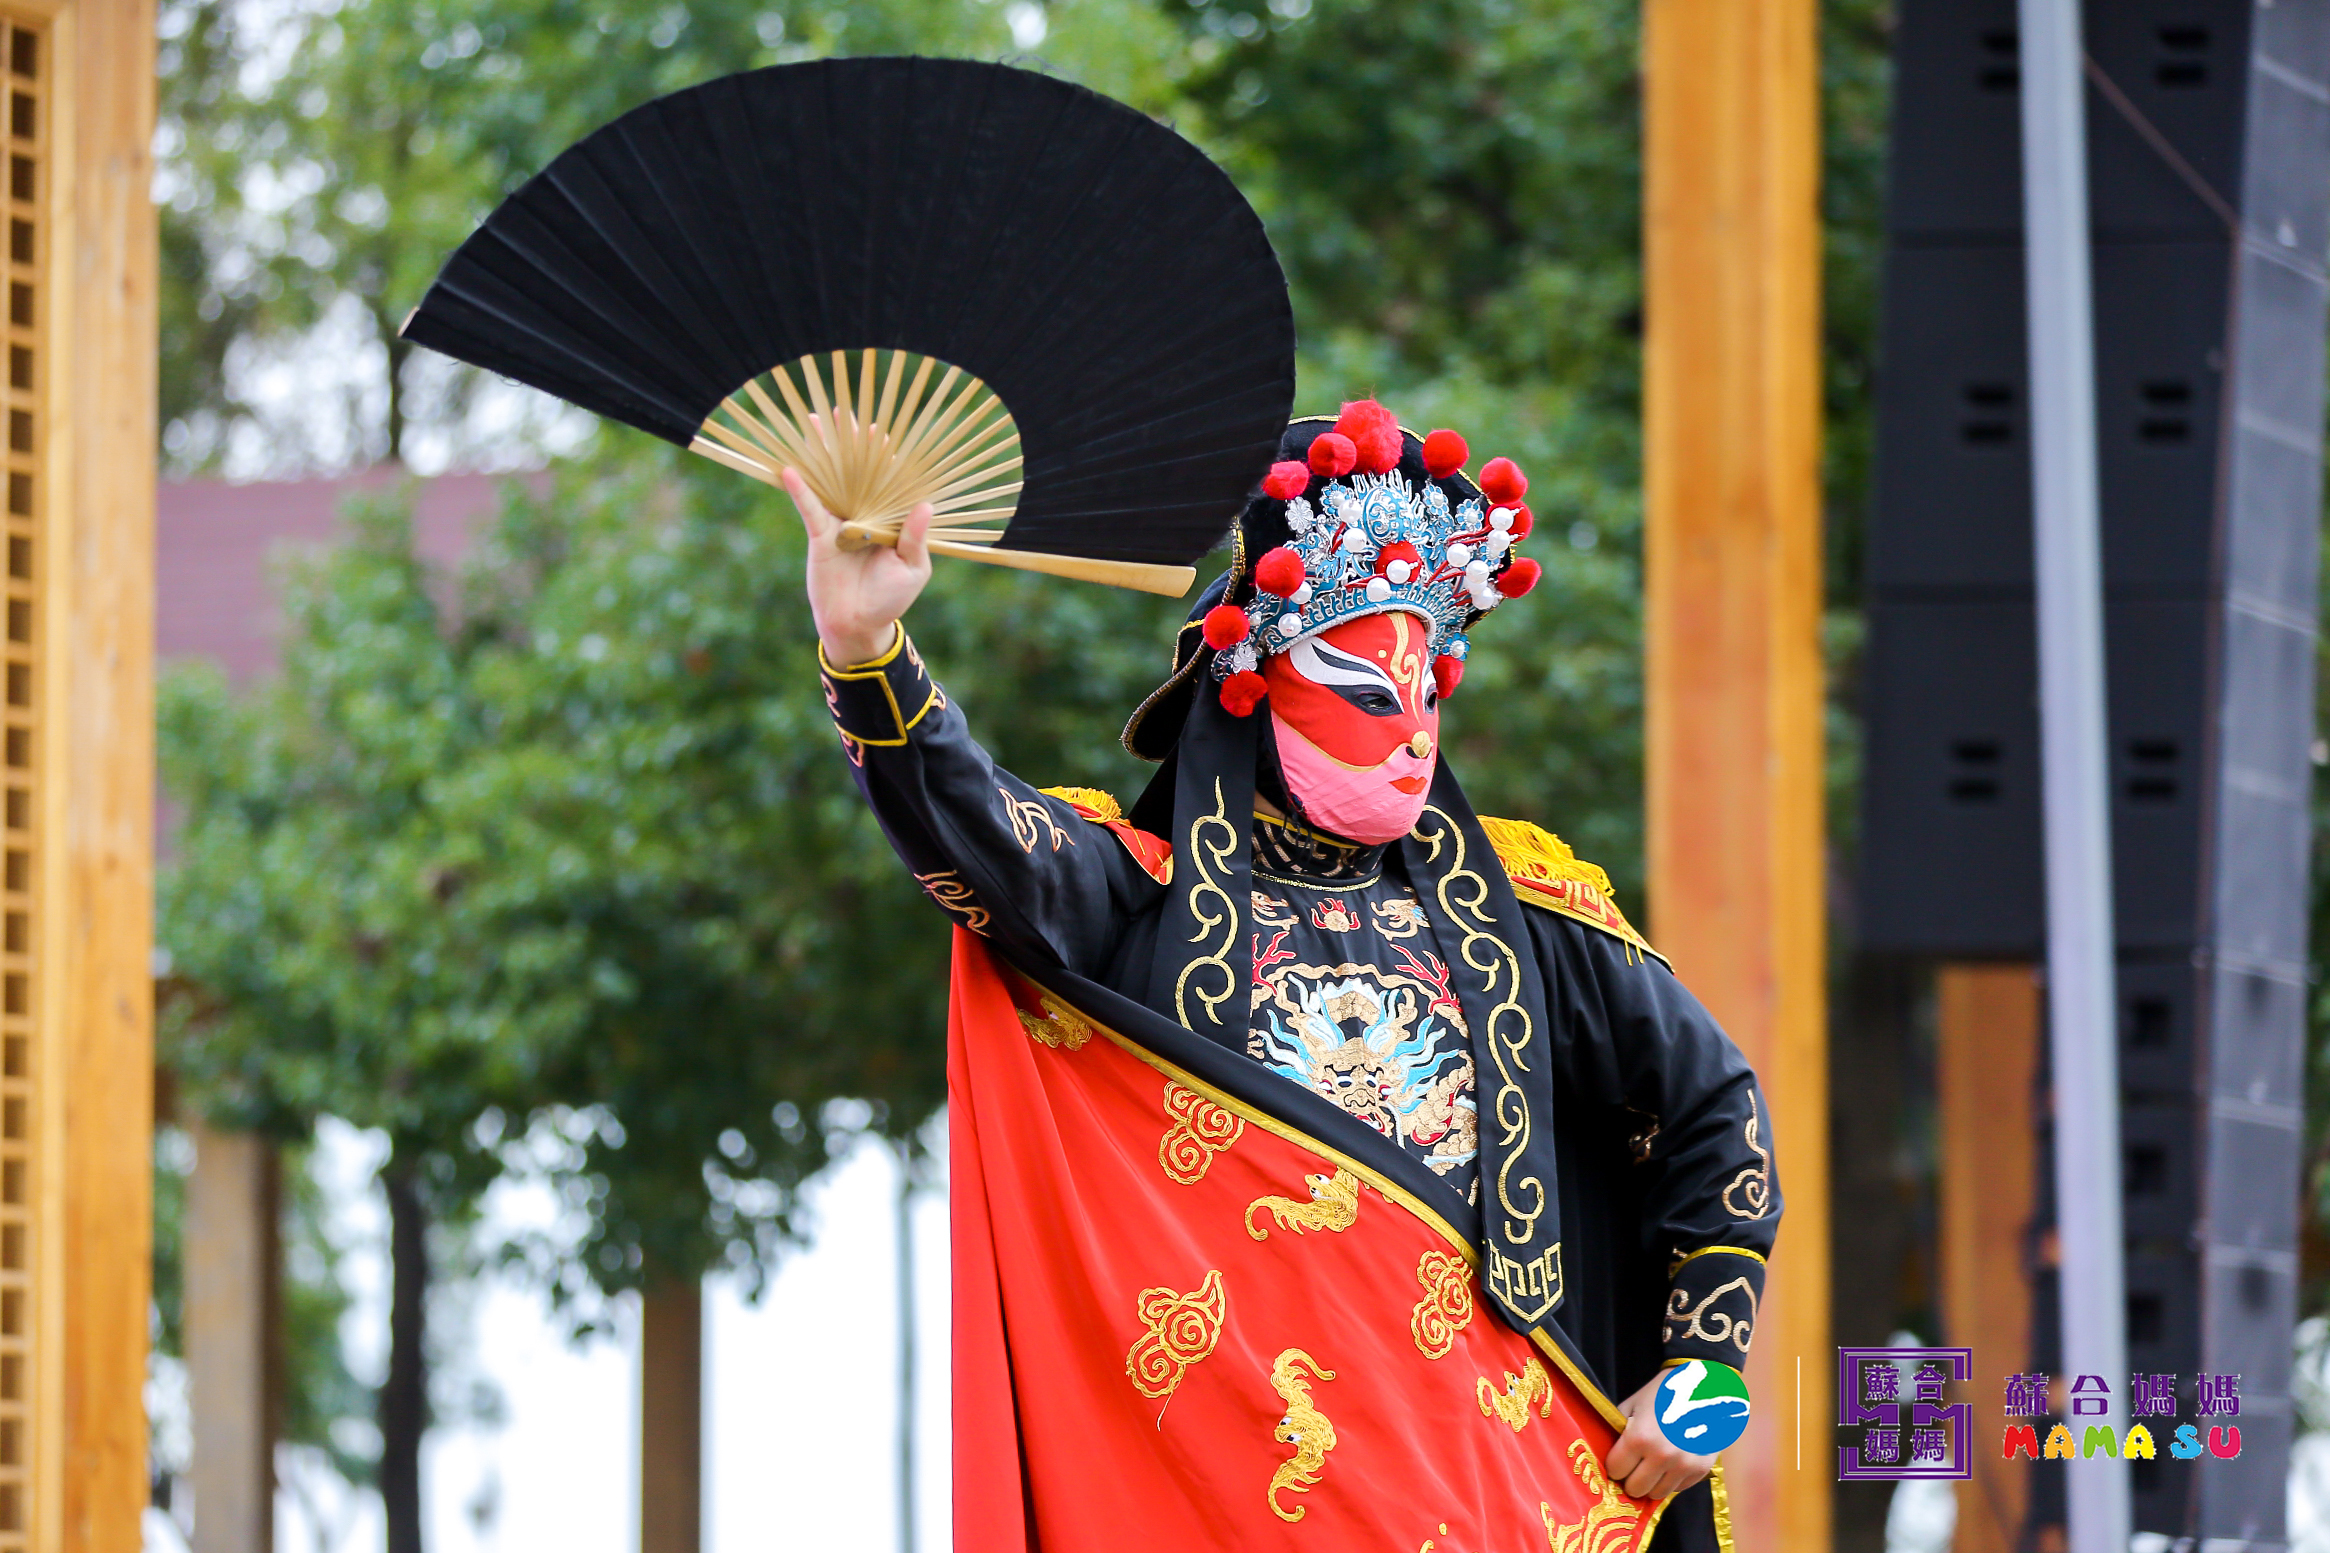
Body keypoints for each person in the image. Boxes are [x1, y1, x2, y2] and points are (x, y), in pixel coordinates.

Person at [794, 403, 1779, 1550]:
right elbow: (976, 829)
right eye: (1367, 694)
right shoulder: (1138, 896)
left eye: (1427, 695)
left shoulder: (1531, 913)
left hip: (1502, 1495)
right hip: (1221, 1495)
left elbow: (1713, 1109)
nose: (1411, 736)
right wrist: (866, 651)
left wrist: (1705, 1373)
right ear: (1250, 688)